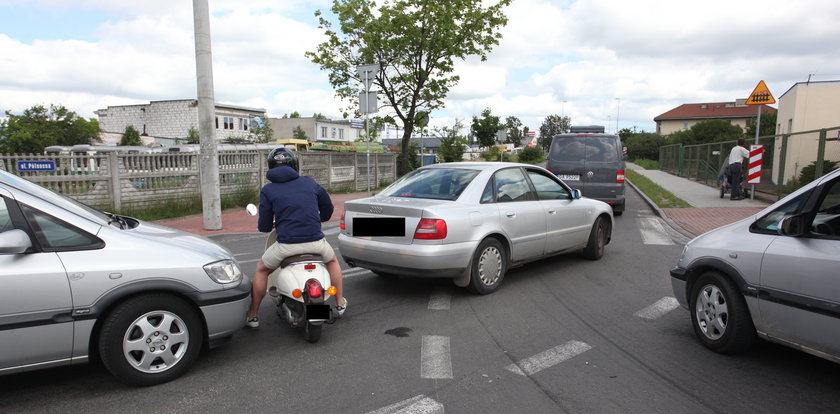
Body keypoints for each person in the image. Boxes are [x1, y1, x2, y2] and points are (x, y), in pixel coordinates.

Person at [246, 148, 346, 328]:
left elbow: (265, 226)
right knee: (332, 261)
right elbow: (328, 209)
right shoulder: (310, 183)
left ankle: (253, 315)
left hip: (286, 246)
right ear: (295, 165)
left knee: (261, 269)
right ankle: (339, 303)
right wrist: (319, 218)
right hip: (316, 243)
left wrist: (271, 223)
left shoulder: (268, 190)